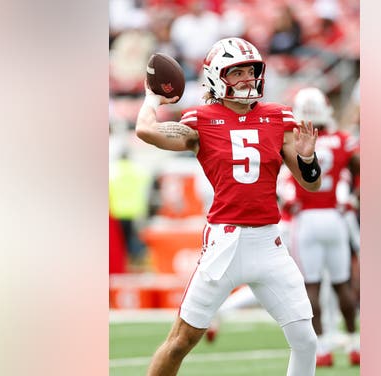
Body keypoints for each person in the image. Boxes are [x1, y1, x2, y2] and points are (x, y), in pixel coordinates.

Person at [136, 37, 323, 376]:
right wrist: (152, 98)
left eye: (251, 71)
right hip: (226, 241)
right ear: (216, 77)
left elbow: (311, 183)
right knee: (181, 341)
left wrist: (308, 158)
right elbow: (145, 131)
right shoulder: (201, 120)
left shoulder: (279, 117)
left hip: (269, 241)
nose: (247, 79)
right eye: (236, 72)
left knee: (306, 341)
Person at [289, 87, 361, 367]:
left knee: (312, 285)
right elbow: (358, 165)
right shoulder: (342, 140)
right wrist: (354, 196)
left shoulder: (294, 141)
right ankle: (355, 343)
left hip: (307, 219)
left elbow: (284, 181)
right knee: (343, 283)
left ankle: (323, 348)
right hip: (335, 217)